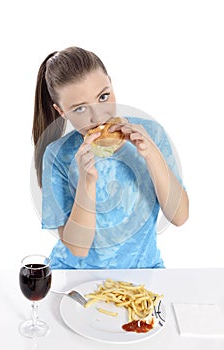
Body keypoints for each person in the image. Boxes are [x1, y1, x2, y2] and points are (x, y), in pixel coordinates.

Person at [32, 46, 189, 269]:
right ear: (61, 112)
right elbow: (78, 248)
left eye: (103, 96)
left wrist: (151, 155)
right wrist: (87, 182)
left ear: (111, 83)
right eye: (79, 109)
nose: (98, 116)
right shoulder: (58, 156)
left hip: (143, 275)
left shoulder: (152, 133)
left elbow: (180, 216)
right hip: (75, 276)